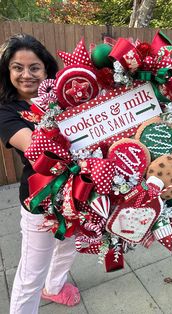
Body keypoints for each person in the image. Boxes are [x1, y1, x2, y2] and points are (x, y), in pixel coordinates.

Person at [0, 33, 80, 314]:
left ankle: (55, 287)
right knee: (31, 274)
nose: (26, 75)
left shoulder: (66, 97)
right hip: (40, 200)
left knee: (68, 246)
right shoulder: (7, 111)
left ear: (46, 70)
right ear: (7, 72)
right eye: (17, 68)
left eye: (34, 67)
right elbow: (36, 149)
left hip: (78, 193)